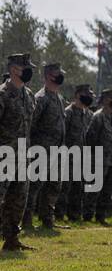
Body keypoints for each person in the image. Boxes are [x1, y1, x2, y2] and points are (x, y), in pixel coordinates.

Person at [24, 61, 67, 232]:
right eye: (58, 73)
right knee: (35, 185)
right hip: (41, 149)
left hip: (57, 150)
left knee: (54, 185)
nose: (61, 76)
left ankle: (47, 219)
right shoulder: (41, 98)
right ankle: (26, 220)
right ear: (49, 76)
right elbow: (32, 124)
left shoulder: (59, 98)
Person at [0, 54, 37, 250]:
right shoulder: (3, 94)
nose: (29, 71)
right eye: (25, 67)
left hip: (23, 156)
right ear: (14, 69)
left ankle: (11, 239)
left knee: (18, 199)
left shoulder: (29, 95)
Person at [57, 83, 93, 222]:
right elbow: (63, 134)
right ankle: (59, 214)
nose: (89, 97)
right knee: (65, 187)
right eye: (87, 94)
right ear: (78, 95)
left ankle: (74, 215)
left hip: (82, 156)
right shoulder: (69, 112)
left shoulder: (88, 114)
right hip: (68, 156)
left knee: (78, 188)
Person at [83, 89, 112, 224]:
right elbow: (90, 137)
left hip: (111, 159)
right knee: (94, 188)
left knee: (107, 189)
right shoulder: (98, 117)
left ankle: (101, 216)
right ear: (105, 100)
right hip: (99, 158)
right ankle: (87, 215)